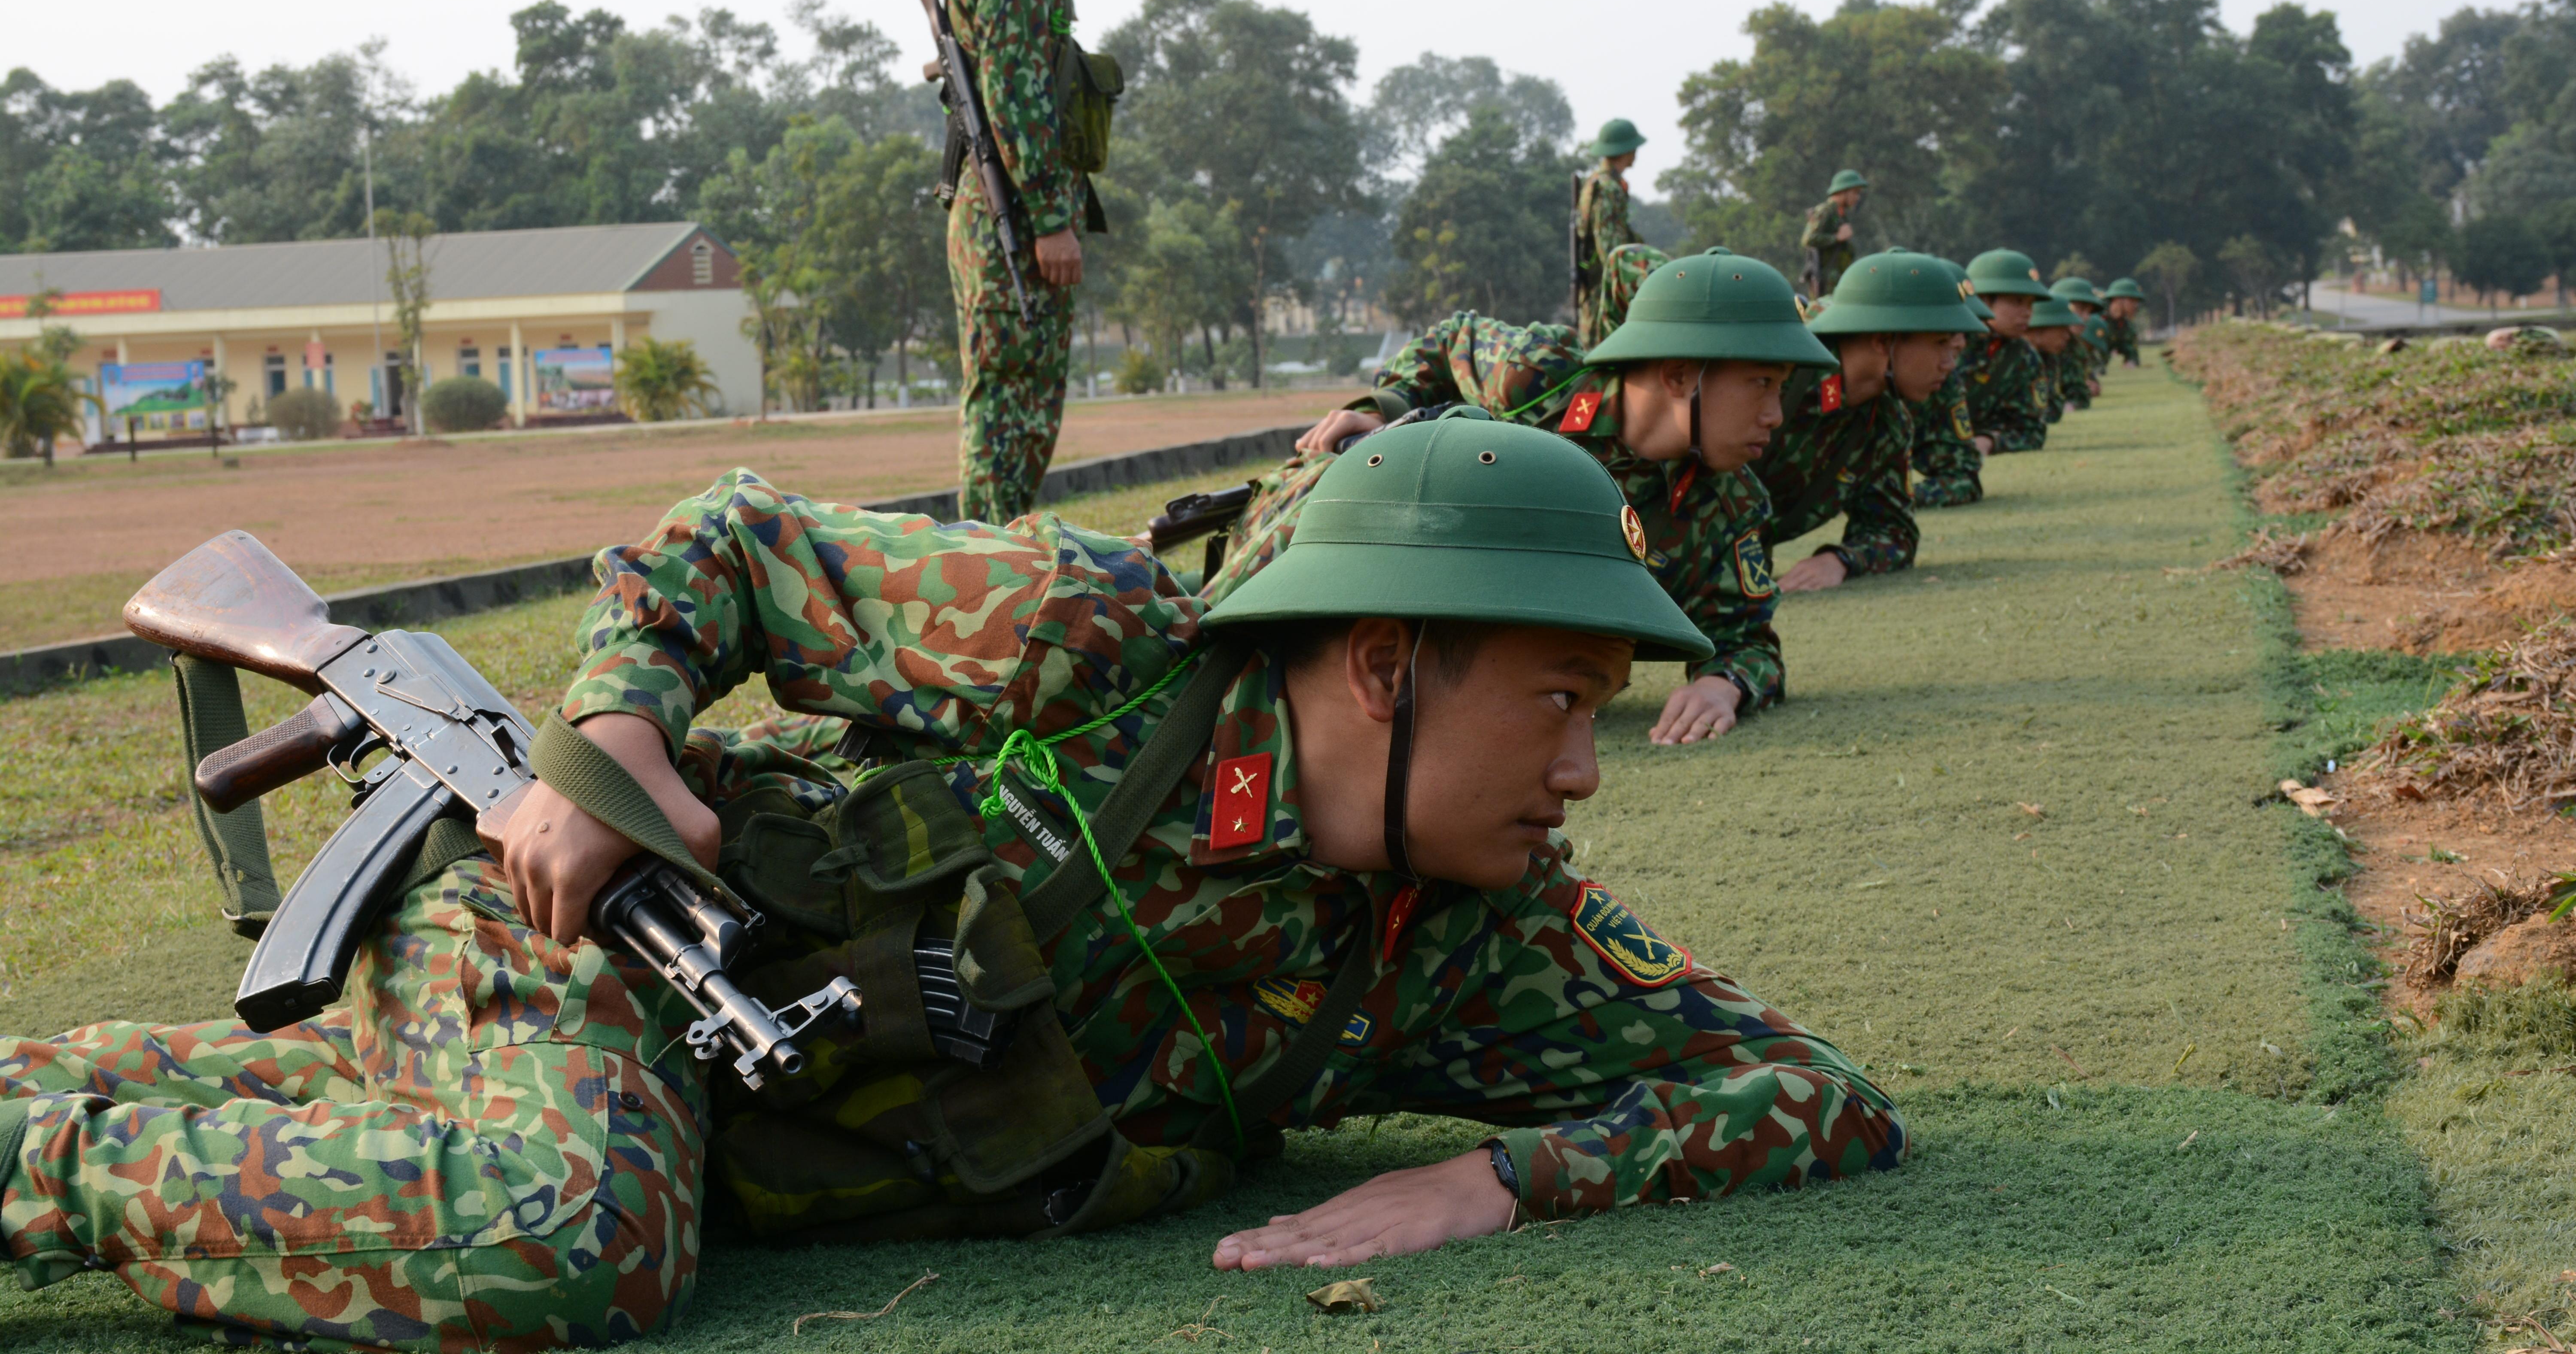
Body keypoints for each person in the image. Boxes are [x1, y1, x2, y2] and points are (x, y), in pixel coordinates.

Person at [0, 424, 1908, 1348]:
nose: (1585, 769)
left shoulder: (1466, 949)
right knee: (572, 1223)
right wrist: (616, 741)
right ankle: (43, 1166)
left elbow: (1814, 1090)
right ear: (1386, 663)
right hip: (572, 914)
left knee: (478, 1138)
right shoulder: (1100, 641)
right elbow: (722, 542)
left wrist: (1498, 1172)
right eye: (1558, 700)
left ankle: (42, 1096)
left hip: (737, 1096)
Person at [1203, 248, 1838, 744]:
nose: (1776, 415)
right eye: (1760, 383)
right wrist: (1385, 412)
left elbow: (1749, 637)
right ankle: (1200, 652)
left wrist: (1726, 684)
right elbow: (1452, 340)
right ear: (1678, 375)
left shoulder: (1733, 504)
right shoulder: (1544, 381)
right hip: (1323, 548)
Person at [946, 0, 1109, 522]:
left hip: (1008, 209)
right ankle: (985, 574)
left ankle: (995, 562)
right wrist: (1050, 217)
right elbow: (1015, 94)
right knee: (1009, 416)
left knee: (1021, 410)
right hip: (1014, 217)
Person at [1763, 251, 1983, 592]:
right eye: (1940, 344)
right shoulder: (1779, 373)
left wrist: (1840, 560)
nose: (1949, 363)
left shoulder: (1886, 426)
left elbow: (1893, 532)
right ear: (1883, 341)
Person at [1910, 257, 1990, 509]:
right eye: (1947, 332)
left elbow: (1963, 476)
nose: (1961, 343)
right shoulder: (1819, 373)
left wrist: (1894, 499)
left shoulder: (1943, 378)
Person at [1958, 249, 2054, 455]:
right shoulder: (1947, 344)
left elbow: (2032, 431)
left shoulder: (2024, 357)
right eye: (2017, 301)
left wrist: (1989, 441)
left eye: (2030, 303)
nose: (2027, 312)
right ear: (1984, 300)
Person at [1572, 119, 1643, 344]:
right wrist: (1623, 290)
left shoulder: (1599, 183)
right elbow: (1611, 249)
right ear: (1625, 151)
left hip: (1599, 285)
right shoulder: (1609, 189)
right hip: (1601, 290)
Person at [1798, 169, 1869, 297]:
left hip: (1837, 281)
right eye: (1856, 193)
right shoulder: (1827, 211)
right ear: (1844, 191)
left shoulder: (1840, 214)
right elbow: (1808, 239)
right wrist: (1837, 238)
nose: (1858, 198)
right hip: (1825, 283)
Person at [2047, 277, 2106, 410]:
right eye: (2082, 310)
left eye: (2089, 312)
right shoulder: (2036, 344)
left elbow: (2079, 391)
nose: (2087, 318)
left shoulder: (2076, 347)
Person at [2026, 294, 2083, 422]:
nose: (2067, 337)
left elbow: (2052, 410)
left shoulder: (2048, 358)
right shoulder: (2016, 358)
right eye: (2062, 329)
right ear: (2040, 328)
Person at [2102, 277, 2146, 364]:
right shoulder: (2097, 317)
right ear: (2119, 300)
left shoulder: (2126, 326)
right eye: (2133, 301)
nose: (2136, 306)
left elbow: (2132, 356)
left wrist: (2131, 363)